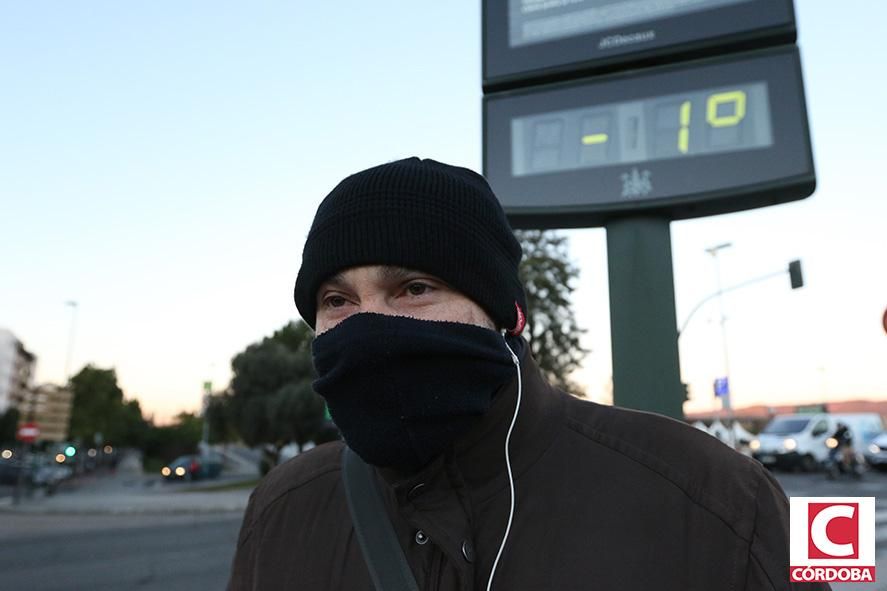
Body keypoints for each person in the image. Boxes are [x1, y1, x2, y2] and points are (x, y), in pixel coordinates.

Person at [227, 157, 828, 590]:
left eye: (414, 288)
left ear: (507, 315)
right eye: (337, 301)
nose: (368, 324)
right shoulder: (281, 508)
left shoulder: (722, 496)